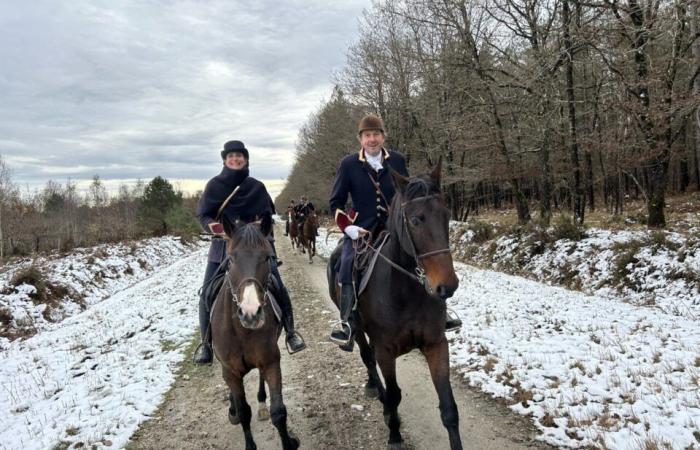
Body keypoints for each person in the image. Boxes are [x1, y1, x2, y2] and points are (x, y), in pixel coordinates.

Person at [328, 115, 462, 347]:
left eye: (376, 134)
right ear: (360, 139)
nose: (372, 139)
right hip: (363, 231)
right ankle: (348, 321)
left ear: (383, 136)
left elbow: (407, 193)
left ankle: (442, 313)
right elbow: (336, 202)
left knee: (422, 257)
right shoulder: (348, 164)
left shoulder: (397, 160)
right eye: (367, 135)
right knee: (346, 261)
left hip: (397, 228)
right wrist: (348, 227)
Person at [193, 140, 306, 364]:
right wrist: (219, 229)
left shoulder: (257, 186)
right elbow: (204, 215)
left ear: (246, 159)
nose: (235, 159)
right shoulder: (214, 186)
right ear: (224, 160)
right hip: (224, 247)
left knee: (279, 287)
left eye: (239, 156)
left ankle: (291, 333)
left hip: (255, 249)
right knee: (206, 292)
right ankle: (205, 344)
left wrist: (256, 231)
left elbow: (266, 216)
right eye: (231, 156)